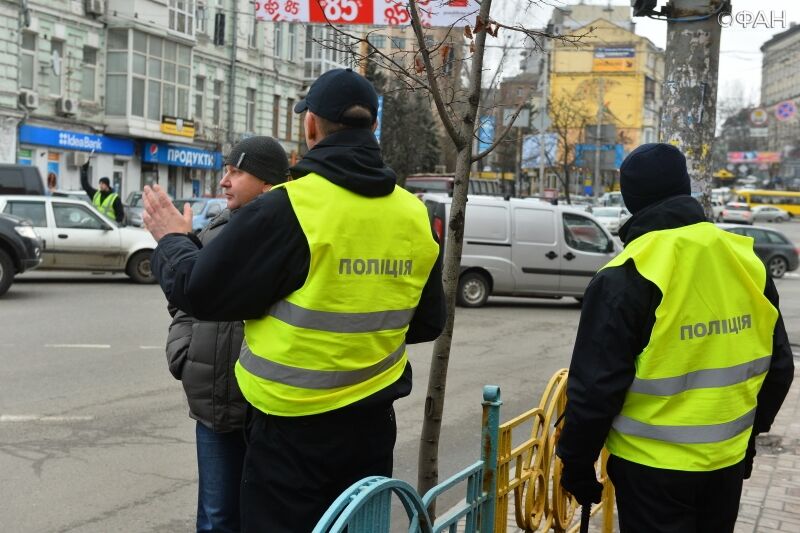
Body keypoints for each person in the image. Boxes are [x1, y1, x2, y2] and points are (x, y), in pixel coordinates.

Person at [142, 67, 446, 532]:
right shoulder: (414, 213)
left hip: (289, 432)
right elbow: (427, 324)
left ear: (310, 125)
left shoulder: (289, 206)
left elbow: (198, 291)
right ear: (373, 127)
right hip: (371, 427)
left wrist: (172, 239)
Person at [556, 143, 794, 532]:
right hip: (724, 465)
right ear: (686, 189)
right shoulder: (745, 260)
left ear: (632, 200)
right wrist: (747, 438)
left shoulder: (628, 272)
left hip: (650, 471)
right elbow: (780, 367)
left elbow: (596, 389)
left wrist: (577, 465)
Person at [165, 136, 289, 533]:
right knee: (215, 519)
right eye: (225, 170)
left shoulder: (289, 234)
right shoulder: (215, 231)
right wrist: (182, 352)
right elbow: (186, 298)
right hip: (214, 406)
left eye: (236, 172)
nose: (224, 181)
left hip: (268, 411)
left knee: (263, 520)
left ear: (267, 182)